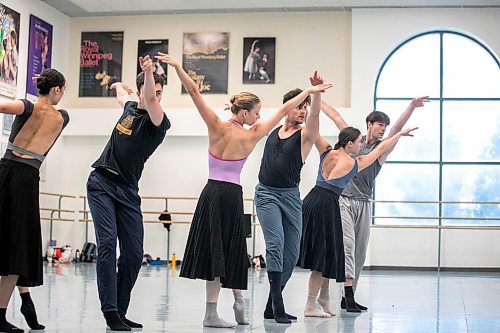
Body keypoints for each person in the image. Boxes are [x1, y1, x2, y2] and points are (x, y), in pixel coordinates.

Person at [155, 52, 332, 328]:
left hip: (210, 193)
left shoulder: (215, 125)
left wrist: (178, 66)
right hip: (231, 195)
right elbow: (285, 111)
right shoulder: (254, 133)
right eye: (257, 112)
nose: (259, 116)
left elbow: (193, 91)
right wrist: (309, 90)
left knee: (215, 251)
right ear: (246, 112)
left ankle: (222, 305)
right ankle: (236, 298)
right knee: (231, 250)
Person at [320, 97, 429, 312]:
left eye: (385, 126)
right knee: (348, 247)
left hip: (364, 203)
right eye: (380, 125)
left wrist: (411, 107)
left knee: (359, 253)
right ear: (369, 124)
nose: (383, 129)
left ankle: (346, 297)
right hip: (343, 200)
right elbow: (335, 116)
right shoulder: (353, 139)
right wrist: (316, 97)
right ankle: (347, 296)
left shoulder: (382, 148)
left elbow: (397, 128)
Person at [86, 56, 170, 331]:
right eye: (151, 91)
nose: (154, 96)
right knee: (108, 243)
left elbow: (151, 99)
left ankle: (119, 311)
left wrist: (147, 75)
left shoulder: (158, 122)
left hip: (128, 192)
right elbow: (123, 95)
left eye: (158, 93)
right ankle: (110, 310)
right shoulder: (131, 107)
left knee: (134, 254)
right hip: (101, 182)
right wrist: (119, 85)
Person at [298, 126, 417, 317]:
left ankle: (323, 297)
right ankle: (311, 305)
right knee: (322, 258)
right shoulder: (355, 163)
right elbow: (381, 149)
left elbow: (314, 131)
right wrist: (399, 135)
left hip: (311, 201)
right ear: (350, 143)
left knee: (326, 255)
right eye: (360, 141)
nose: (362, 145)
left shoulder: (327, 151)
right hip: (327, 205)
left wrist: (305, 112)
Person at [254, 73, 328, 324]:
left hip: (290, 197)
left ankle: (270, 304)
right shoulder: (273, 130)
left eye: (304, 108)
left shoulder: (306, 136)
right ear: (288, 108)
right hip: (266, 194)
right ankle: (277, 304)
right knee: (275, 246)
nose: (302, 111)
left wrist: (315, 92)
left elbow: (315, 116)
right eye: (298, 106)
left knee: (291, 253)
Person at [0, 68, 69, 332]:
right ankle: (15, 307)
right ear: (57, 90)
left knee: (7, 243)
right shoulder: (62, 118)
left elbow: (5, 106)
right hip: (27, 179)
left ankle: (23, 303)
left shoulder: (25, 106)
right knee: (16, 247)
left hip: (5, 170)